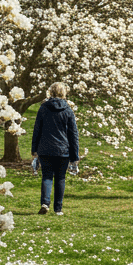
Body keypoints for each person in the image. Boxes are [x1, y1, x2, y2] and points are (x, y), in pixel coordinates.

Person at [31, 81, 80, 215]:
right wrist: (75, 155)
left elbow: (37, 130)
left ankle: (45, 203)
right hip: (63, 150)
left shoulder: (43, 108)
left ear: (50, 93)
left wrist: (34, 149)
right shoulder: (68, 110)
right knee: (60, 178)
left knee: (46, 177)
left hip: (45, 149)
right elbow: (73, 134)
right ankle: (58, 209)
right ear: (64, 93)